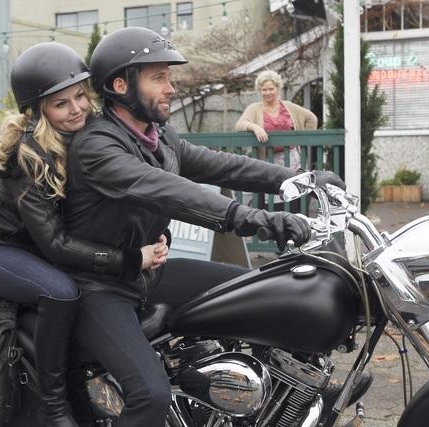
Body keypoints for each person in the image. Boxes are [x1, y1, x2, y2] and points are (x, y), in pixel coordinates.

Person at [62, 27, 345, 426]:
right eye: (158, 77)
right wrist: (260, 220)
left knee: (262, 295)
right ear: (120, 85)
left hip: (149, 273)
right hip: (100, 285)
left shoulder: (159, 139)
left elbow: (223, 165)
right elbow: (171, 192)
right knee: (150, 395)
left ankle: (285, 396)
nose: (171, 87)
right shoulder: (97, 147)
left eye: (169, 77)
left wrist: (298, 180)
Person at [0, 42, 168, 427]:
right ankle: (54, 404)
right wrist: (129, 260)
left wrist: (159, 236)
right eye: (61, 104)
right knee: (60, 290)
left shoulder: (94, 134)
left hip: (39, 243)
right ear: (39, 111)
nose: (76, 109)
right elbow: (55, 244)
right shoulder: (27, 156)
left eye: (80, 97)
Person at [235, 70, 318, 170]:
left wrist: (302, 139)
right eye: (264, 90)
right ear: (259, 91)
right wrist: (255, 127)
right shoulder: (254, 108)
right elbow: (239, 125)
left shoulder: (289, 106)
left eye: (271, 89)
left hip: (292, 158)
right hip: (266, 160)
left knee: (294, 185)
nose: (267, 93)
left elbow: (311, 119)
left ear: (278, 89)